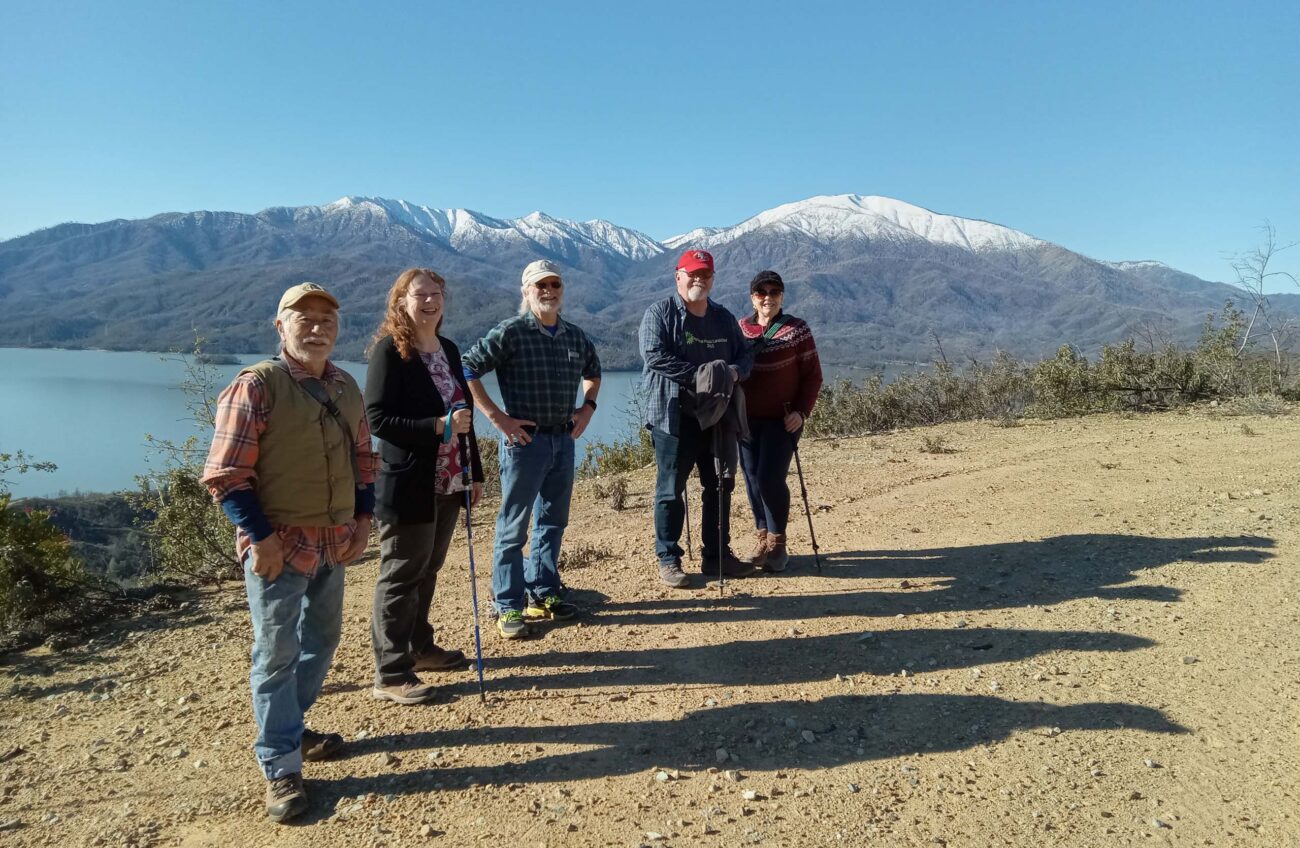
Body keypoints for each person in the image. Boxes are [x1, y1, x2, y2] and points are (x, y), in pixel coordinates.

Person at [202, 282, 377, 823]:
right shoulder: (256, 387)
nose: (318, 326)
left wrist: (364, 520)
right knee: (276, 650)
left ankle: (289, 728)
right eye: (304, 317)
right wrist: (261, 537)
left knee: (322, 639)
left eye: (328, 317)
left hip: (334, 538)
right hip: (281, 544)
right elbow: (227, 475)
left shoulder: (347, 385)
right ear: (280, 326)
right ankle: (280, 763)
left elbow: (365, 459)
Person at [460, 259, 601, 639]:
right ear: (526, 292)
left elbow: (594, 372)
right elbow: (468, 367)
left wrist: (587, 409)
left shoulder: (574, 335)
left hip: (562, 441)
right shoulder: (512, 333)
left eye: (555, 285)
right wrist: (496, 417)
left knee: (553, 521)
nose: (549, 292)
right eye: (540, 286)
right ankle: (507, 604)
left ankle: (543, 590)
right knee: (513, 526)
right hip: (524, 443)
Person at [364, 268, 484, 705]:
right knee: (400, 575)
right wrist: (436, 426)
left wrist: (474, 473)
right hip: (409, 482)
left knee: (427, 569)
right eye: (420, 295)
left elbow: (464, 417)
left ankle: (419, 648)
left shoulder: (448, 349)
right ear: (401, 302)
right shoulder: (389, 353)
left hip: (450, 478)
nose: (430, 302)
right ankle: (391, 672)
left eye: (437, 295)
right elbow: (378, 420)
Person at [639, 249, 754, 588]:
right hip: (674, 416)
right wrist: (702, 376)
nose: (698, 280)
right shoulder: (659, 314)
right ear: (679, 276)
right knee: (671, 490)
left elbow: (744, 356)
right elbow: (654, 355)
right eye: (692, 273)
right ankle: (668, 558)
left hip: (718, 415)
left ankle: (716, 555)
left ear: (712, 279)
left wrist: (732, 373)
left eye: (705, 274)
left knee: (719, 484)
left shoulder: (723, 318)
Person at [737, 270, 823, 571]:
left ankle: (778, 544)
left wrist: (801, 412)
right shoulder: (741, 329)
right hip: (745, 420)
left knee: (769, 478)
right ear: (752, 297)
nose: (768, 298)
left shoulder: (797, 329)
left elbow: (813, 376)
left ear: (782, 297)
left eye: (774, 293)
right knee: (750, 479)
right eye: (762, 293)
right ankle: (762, 537)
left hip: (783, 420)